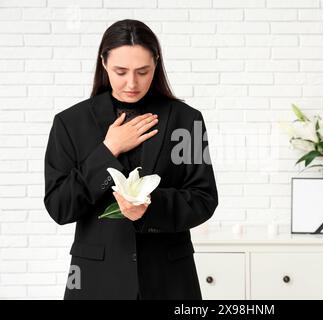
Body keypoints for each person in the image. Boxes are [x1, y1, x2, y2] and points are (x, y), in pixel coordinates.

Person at [43, 19, 218, 300]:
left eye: (143, 71)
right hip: (96, 281)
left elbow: (204, 198)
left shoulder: (187, 121)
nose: (132, 83)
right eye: (120, 71)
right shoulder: (70, 123)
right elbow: (59, 207)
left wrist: (149, 208)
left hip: (170, 280)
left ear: (156, 64)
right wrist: (108, 149)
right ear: (103, 63)